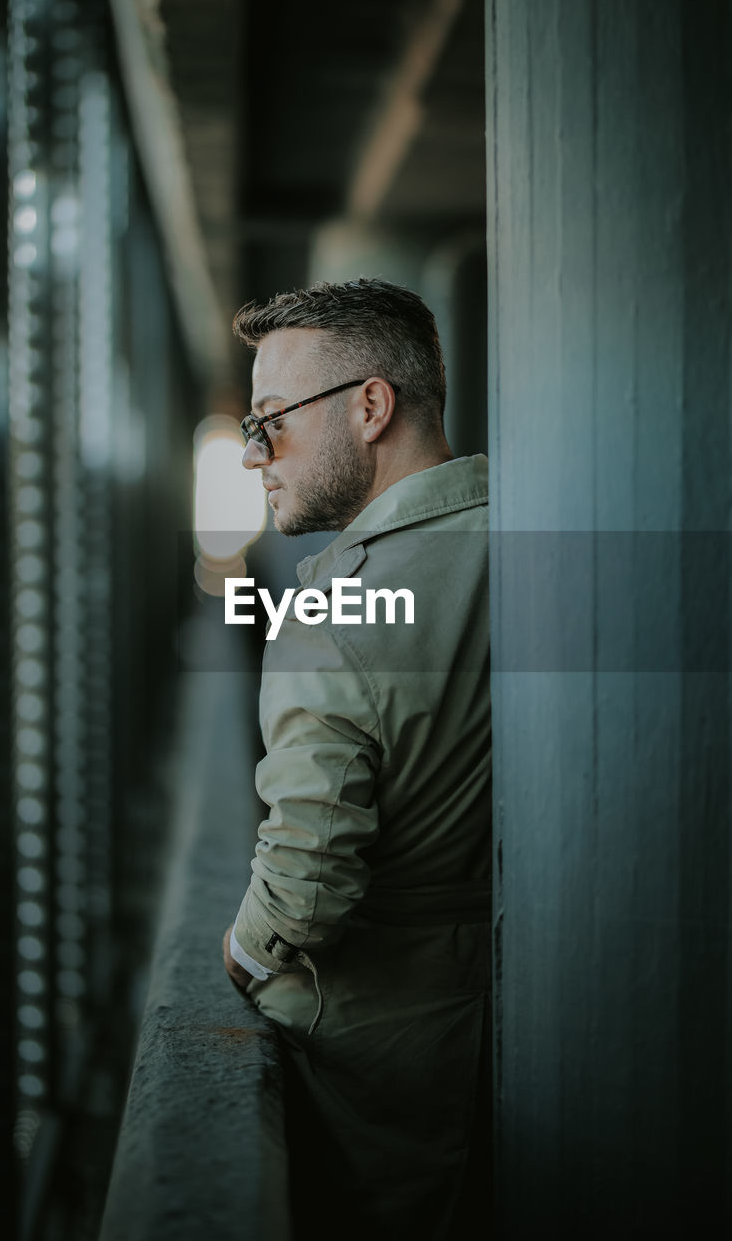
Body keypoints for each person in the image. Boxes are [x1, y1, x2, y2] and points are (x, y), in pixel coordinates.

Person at [221, 278, 492, 1239]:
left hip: (375, 1072)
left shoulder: (331, 612)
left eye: (271, 422)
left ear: (370, 407)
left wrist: (244, 952)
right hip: (533, 1023)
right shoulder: (539, 536)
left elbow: (304, 885)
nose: (255, 455)